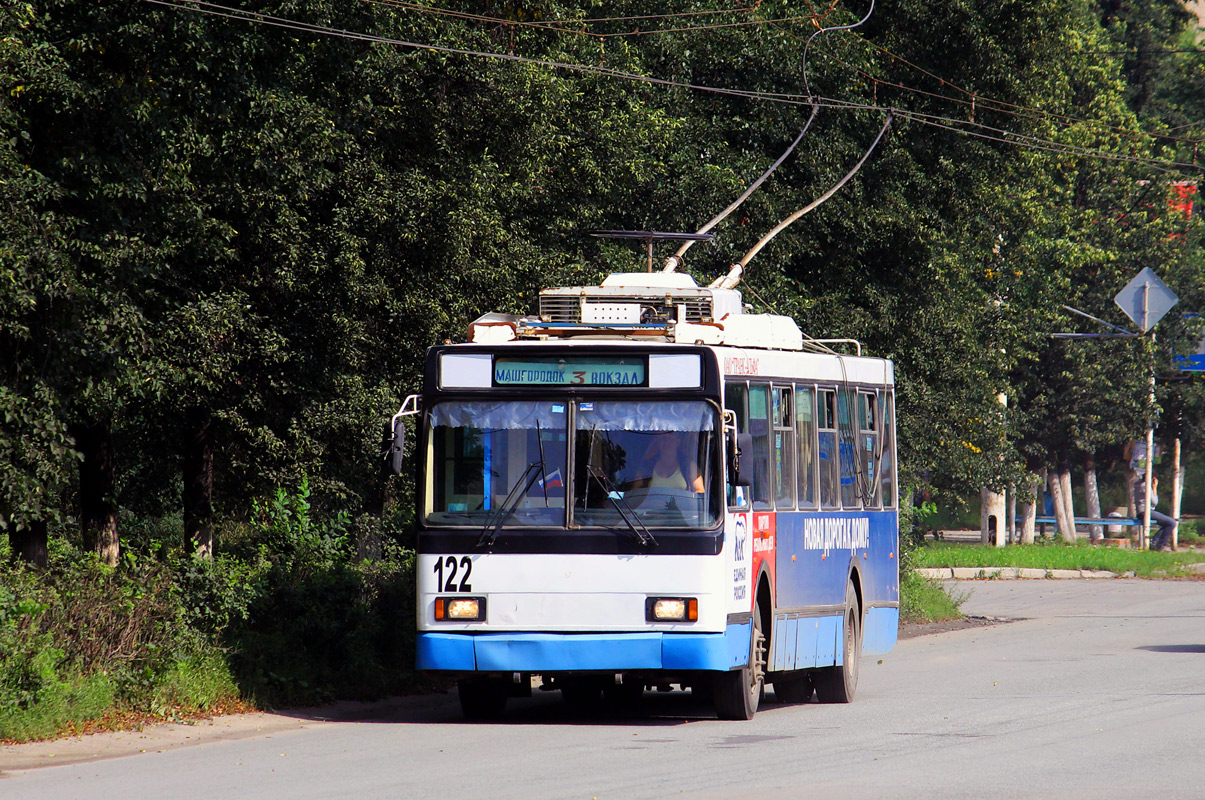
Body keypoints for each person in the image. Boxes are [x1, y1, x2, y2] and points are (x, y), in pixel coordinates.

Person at [634, 433, 705, 494]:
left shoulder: (688, 465)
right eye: (662, 439)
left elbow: (699, 491)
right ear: (658, 442)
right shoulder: (647, 466)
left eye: (669, 438)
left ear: (678, 441)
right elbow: (635, 492)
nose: (666, 442)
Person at [1134, 474, 1177, 551]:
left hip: (1141, 512)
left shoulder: (1138, 484)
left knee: (1167, 524)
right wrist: (1154, 487)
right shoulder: (1145, 486)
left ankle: (1155, 542)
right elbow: (1155, 502)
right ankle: (1159, 546)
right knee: (1172, 523)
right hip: (1146, 512)